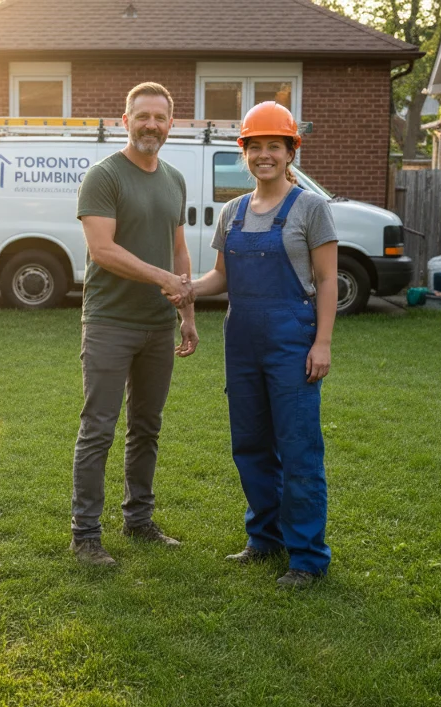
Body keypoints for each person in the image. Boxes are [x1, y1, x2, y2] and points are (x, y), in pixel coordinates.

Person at [189, 101, 338, 587]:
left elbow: (327, 280)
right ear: (244, 154)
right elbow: (220, 277)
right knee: (250, 444)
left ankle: (308, 557)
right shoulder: (232, 211)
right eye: (255, 147)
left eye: (275, 146)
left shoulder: (311, 208)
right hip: (243, 339)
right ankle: (264, 537)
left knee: (297, 448)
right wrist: (189, 288)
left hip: (293, 338)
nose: (264, 155)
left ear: (291, 150)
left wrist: (322, 343)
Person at [70, 82, 199, 566]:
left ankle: (139, 521)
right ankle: (85, 535)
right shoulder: (104, 177)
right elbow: (102, 249)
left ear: (171, 123)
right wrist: (163, 277)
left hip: (156, 325)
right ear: (125, 121)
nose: (151, 125)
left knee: (147, 427)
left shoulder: (173, 179)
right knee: (98, 428)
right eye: (142, 116)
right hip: (110, 321)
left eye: (159, 118)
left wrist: (185, 312)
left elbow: (179, 247)